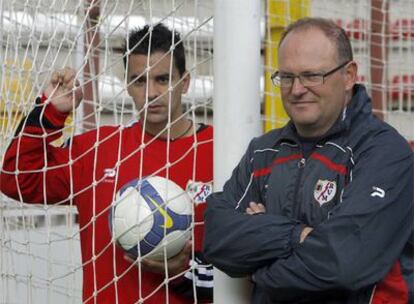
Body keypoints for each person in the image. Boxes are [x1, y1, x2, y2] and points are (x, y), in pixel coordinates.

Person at [203, 17, 414, 303]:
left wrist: (259, 267)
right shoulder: (263, 151)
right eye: (287, 77)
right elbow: (216, 237)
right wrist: (299, 235)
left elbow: (345, 262)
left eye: (312, 75)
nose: (297, 89)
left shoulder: (384, 153)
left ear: (349, 75)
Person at [0, 23, 213, 303]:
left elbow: (244, 270)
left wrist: (184, 272)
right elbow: (17, 177)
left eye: (163, 79)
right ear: (127, 85)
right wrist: (50, 110)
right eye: (139, 80)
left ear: (184, 82)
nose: (151, 93)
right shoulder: (97, 148)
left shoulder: (220, 151)